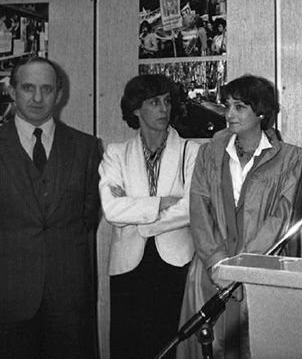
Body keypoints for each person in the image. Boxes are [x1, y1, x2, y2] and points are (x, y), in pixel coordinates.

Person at [177, 75, 302, 359]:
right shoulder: (209, 152)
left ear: (261, 111)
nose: (229, 114)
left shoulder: (291, 158)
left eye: (239, 107)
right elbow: (199, 209)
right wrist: (217, 265)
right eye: (227, 106)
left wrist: (240, 270)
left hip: (259, 273)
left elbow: (280, 219)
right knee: (207, 347)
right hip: (210, 273)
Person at [0, 57, 101, 359]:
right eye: (28, 88)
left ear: (59, 95)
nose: (37, 98)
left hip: (68, 298)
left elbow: (88, 216)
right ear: (11, 91)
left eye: (47, 89)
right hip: (8, 298)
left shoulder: (86, 147)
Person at [99, 74, 200, 359]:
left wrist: (139, 213)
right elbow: (112, 210)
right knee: (129, 347)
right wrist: (162, 203)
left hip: (176, 264)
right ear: (135, 109)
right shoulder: (116, 154)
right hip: (128, 268)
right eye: (154, 102)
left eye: (167, 101)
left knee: (172, 346)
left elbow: (192, 207)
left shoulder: (190, 151)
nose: (163, 109)